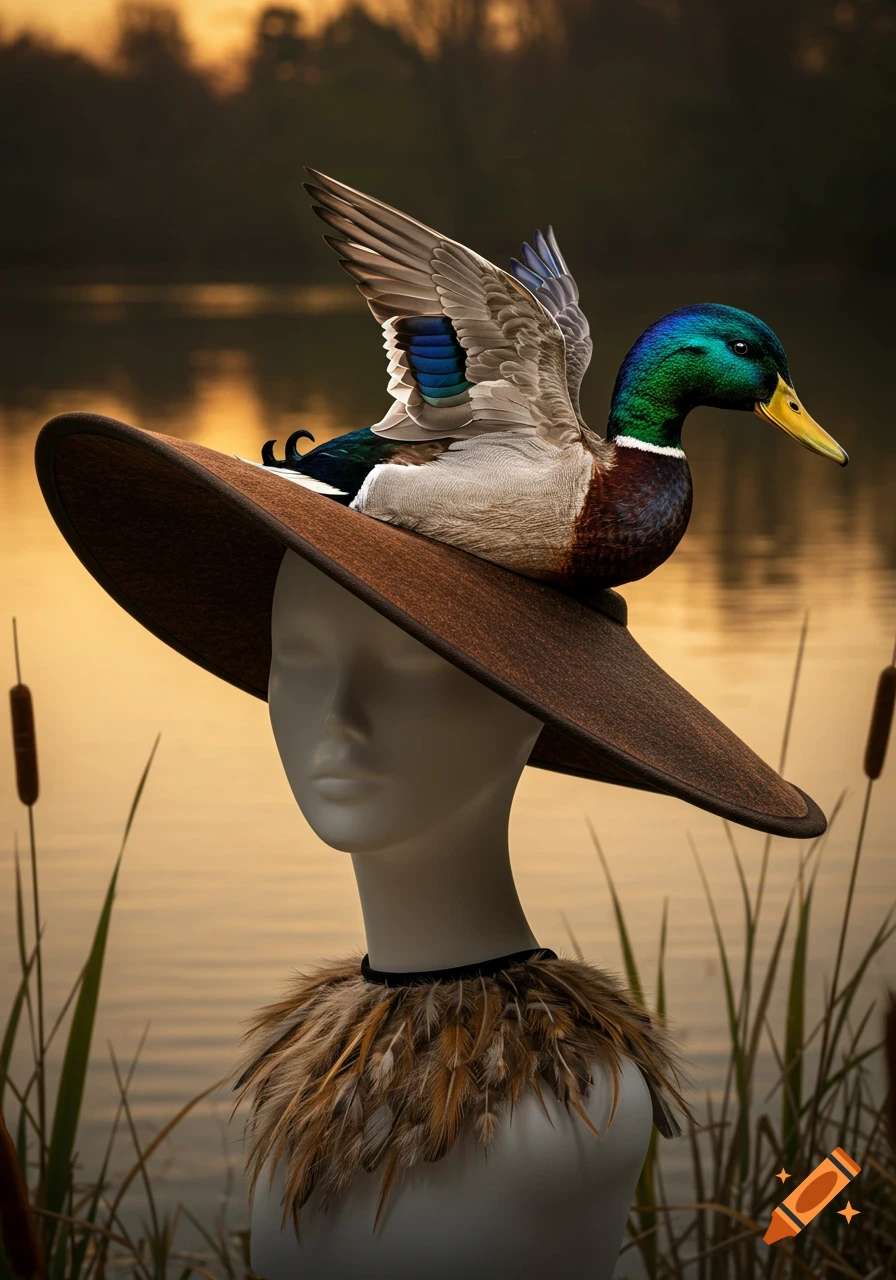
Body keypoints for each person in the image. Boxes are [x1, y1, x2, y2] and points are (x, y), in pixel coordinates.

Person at [35, 412, 825, 1278]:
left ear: (528, 704)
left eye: (409, 670)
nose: (337, 719)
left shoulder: (557, 1113)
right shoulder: (316, 1078)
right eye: (298, 661)